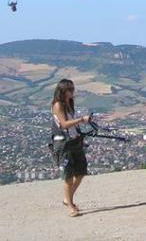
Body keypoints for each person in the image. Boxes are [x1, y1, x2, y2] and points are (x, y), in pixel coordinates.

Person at [50, 79, 91, 217]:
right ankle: (71, 206)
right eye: (70, 90)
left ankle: (67, 199)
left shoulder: (69, 103)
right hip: (63, 144)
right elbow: (64, 124)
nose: (73, 92)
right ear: (63, 91)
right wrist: (81, 119)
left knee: (80, 172)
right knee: (68, 177)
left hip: (74, 142)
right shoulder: (57, 105)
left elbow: (71, 125)